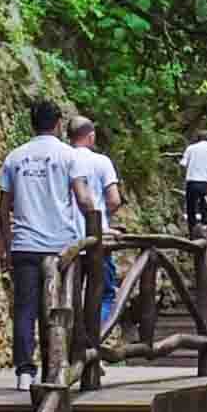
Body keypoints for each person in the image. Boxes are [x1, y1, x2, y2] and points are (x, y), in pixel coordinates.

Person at [0, 97, 103, 387]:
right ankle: (63, 365)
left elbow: (3, 207)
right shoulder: (69, 156)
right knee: (66, 306)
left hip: (25, 244)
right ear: (58, 124)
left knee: (25, 309)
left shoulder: (15, 157)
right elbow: (83, 197)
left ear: (33, 123)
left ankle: (24, 371)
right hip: (62, 247)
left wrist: (5, 246)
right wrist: (95, 225)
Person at [70, 116, 126, 334]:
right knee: (104, 293)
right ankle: (91, 342)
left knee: (69, 294)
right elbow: (114, 199)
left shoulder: (62, 158)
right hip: (96, 236)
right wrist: (103, 217)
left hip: (66, 239)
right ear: (91, 136)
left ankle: (73, 343)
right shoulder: (101, 162)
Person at [180, 129, 207, 232]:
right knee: (206, 208)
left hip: (192, 182)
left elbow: (183, 164)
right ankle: (206, 230)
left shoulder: (190, 148)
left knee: (191, 208)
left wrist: (188, 172)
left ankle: (192, 231)